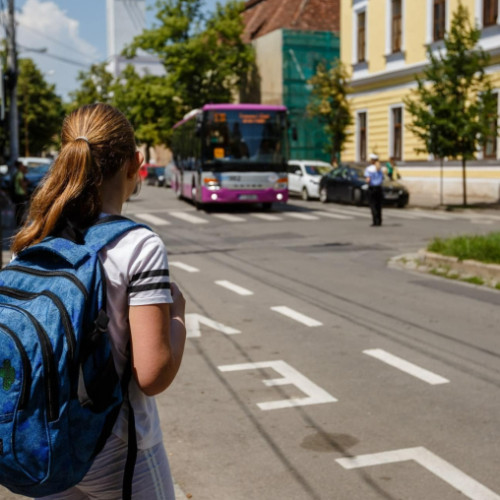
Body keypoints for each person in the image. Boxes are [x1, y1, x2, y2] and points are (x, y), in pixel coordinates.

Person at [11, 103, 187, 500]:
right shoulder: (139, 245)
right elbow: (153, 373)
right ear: (135, 164)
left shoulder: (33, 239)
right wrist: (178, 317)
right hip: (116, 447)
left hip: (45, 442)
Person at [364, 153, 384, 226]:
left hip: (372, 188)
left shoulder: (369, 169)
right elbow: (382, 178)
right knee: (379, 205)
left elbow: (368, 180)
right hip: (379, 188)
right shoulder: (380, 168)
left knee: (373, 205)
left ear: (371, 160)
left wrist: (366, 182)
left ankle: (375, 221)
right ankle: (379, 221)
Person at [12, 160, 28, 226]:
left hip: (17, 193)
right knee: (21, 208)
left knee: (18, 208)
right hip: (20, 193)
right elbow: (22, 184)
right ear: (19, 166)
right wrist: (25, 192)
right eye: (21, 165)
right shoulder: (20, 174)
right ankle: (20, 222)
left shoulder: (16, 173)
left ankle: (18, 221)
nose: (22, 166)